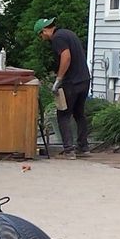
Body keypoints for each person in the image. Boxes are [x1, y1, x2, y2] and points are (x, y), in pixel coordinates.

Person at [38, 17, 90, 157]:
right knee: (79, 114)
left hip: (71, 82)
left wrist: (58, 80)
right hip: (84, 79)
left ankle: (69, 150)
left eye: (41, 35)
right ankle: (83, 147)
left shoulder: (57, 38)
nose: (42, 38)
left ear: (44, 31)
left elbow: (66, 57)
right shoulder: (68, 33)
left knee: (63, 115)